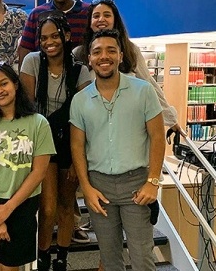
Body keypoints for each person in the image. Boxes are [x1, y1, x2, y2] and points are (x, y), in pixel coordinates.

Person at [70, 29, 166, 271]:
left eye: (111, 50)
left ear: (121, 55)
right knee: (110, 258)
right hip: (99, 187)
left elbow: (157, 137)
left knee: (142, 257)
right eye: (97, 52)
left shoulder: (143, 91)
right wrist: (87, 188)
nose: (104, 56)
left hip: (135, 184)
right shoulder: (80, 100)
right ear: (89, 59)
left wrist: (153, 181)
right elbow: (77, 146)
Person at [0, 62, 56, 271]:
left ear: (15, 84)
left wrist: (7, 209)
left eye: (3, 83)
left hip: (21, 204)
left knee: (10, 267)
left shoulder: (38, 123)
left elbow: (39, 172)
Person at [19, 14, 91, 271]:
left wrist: (76, 156)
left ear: (67, 36)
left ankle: (62, 257)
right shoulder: (31, 62)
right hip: (42, 139)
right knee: (47, 206)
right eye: (44, 37)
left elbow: (82, 116)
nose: (49, 42)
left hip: (70, 140)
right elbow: (27, 107)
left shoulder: (81, 71)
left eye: (55, 36)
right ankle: (43, 255)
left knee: (66, 204)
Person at [76, 0, 181, 132]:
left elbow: (149, 83)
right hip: (93, 126)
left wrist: (170, 118)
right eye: (96, 16)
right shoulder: (79, 54)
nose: (101, 19)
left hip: (129, 124)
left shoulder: (131, 50)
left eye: (107, 15)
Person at [17, 0, 91, 67]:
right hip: (45, 81)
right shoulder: (36, 15)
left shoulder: (89, 12)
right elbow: (25, 51)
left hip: (83, 80)